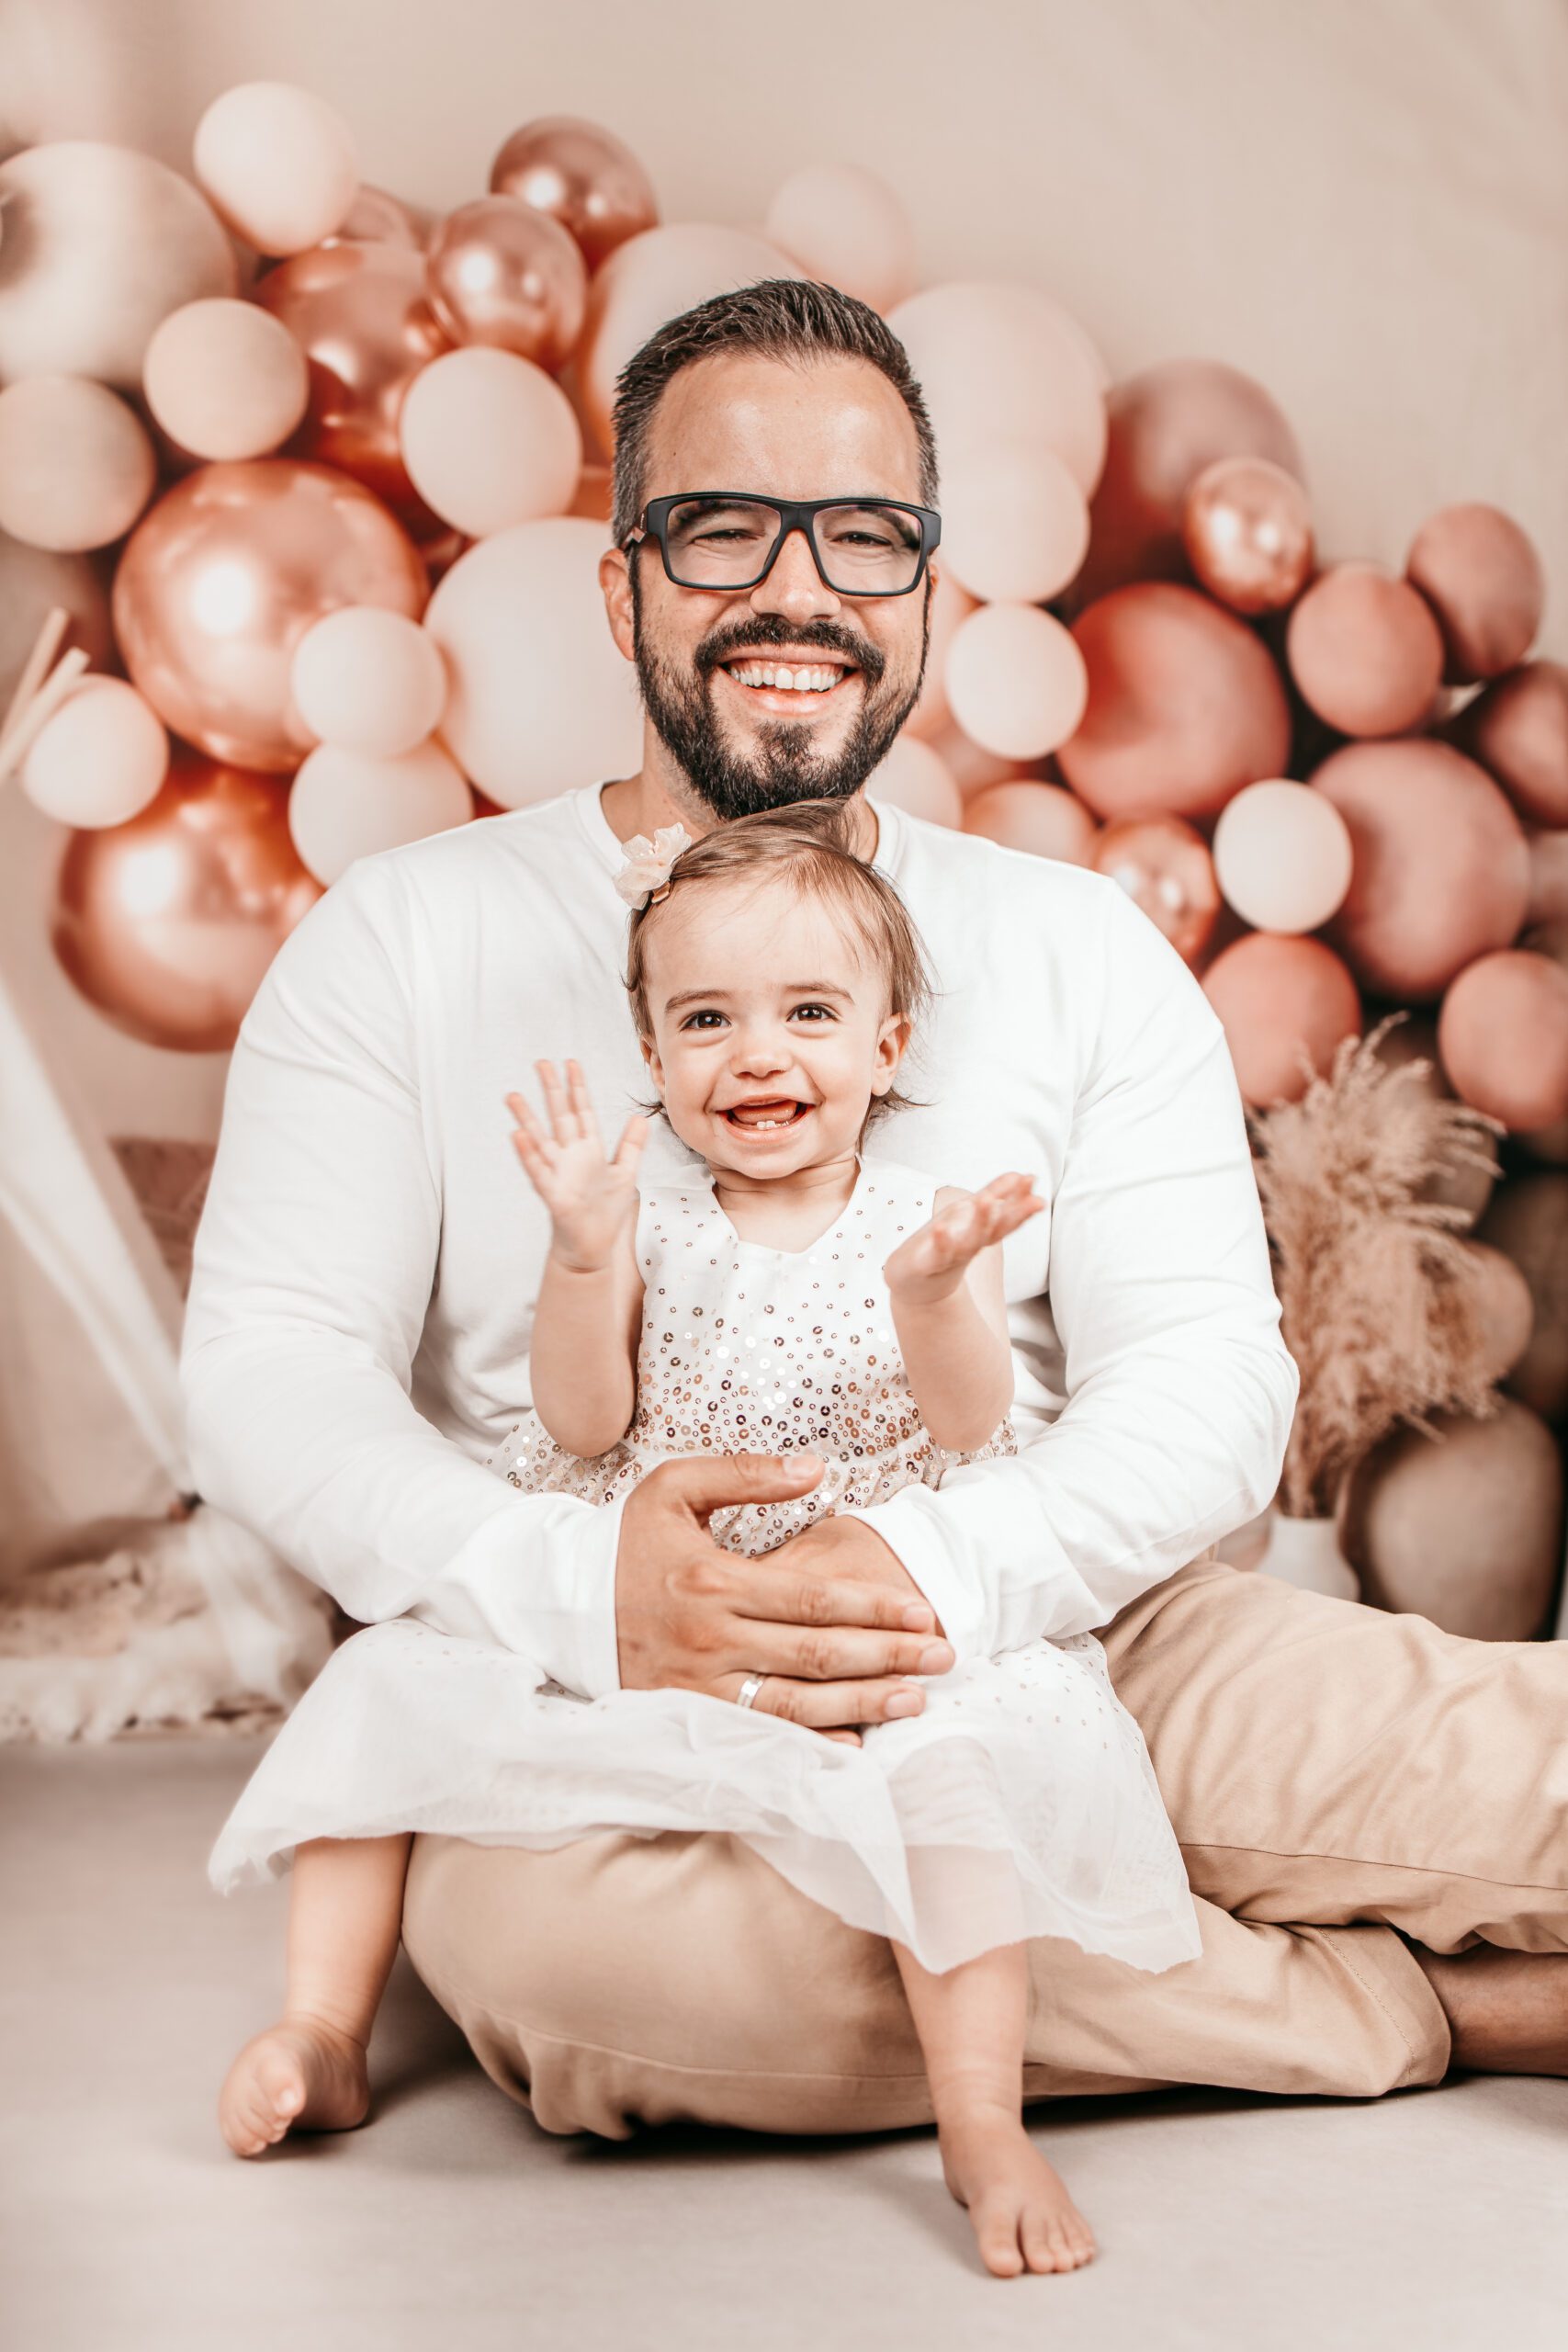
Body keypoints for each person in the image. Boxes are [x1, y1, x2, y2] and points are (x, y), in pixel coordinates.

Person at [183, 278, 1568, 2214]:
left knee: (1530, 1767)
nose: (796, 590)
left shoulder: (1071, 944)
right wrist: (574, 1586)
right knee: (569, 1981)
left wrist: (941, 1561)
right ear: (620, 585)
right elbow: (265, 1367)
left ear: (923, 593)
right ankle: (1420, 2004)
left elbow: (1206, 1377)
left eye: (863, 536)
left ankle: (1261, 1929)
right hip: (598, 1719)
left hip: (1071, 1636)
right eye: (722, 527)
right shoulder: (399, 944)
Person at [212, 800, 1211, 2274]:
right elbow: (582, 1413)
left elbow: (963, 1428)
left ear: (889, 1048)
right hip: (654, 1605)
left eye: (810, 1012)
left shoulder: (920, 1221)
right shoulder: (649, 1218)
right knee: (391, 1682)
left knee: (949, 1787)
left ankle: (982, 2122)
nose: (758, 1054)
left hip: (864, 1602)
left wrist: (941, 1295)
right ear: (657, 1057)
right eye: (706, 1020)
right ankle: (323, 2023)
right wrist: (578, 1248)